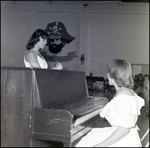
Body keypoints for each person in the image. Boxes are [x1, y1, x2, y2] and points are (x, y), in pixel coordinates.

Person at [75, 59, 145, 147]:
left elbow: (124, 129)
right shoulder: (128, 91)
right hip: (127, 135)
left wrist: (99, 146)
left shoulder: (122, 97)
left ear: (110, 75)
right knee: (85, 139)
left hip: (124, 140)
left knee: (81, 143)